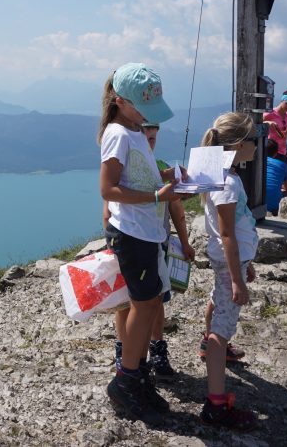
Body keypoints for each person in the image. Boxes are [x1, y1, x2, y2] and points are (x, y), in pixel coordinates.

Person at [99, 63, 191, 424]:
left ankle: (135, 374)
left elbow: (139, 175)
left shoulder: (135, 131)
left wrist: (168, 176)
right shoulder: (119, 134)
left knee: (151, 301)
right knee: (142, 304)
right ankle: (126, 380)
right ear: (121, 102)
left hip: (147, 233)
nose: (147, 117)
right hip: (133, 234)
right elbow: (109, 189)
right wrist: (157, 194)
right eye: (143, 108)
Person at [106, 122, 195, 379]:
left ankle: (155, 350)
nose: (149, 143)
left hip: (159, 243)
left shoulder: (160, 168)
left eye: (153, 139)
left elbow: (177, 211)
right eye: (145, 138)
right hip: (132, 243)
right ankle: (127, 354)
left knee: (156, 301)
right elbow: (108, 209)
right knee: (128, 303)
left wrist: (186, 243)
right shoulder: (124, 170)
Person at [197, 112, 259, 430]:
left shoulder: (216, 172)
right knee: (223, 329)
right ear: (237, 144)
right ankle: (216, 405)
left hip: (229, 263)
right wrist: (237, 279)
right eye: (252, 139)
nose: (256, 144)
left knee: (216, 302)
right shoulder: (229, 183)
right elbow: (227, 235)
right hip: (227, 264)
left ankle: (207, 346)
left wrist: (243, 265)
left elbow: (234, 231)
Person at [263, 90, 287, 161]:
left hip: (283, 152)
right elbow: (256, 123)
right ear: (282, 100)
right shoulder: (270, 113)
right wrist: (268, 122)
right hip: (270, 151)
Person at [264, 138, 287, 216]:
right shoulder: (282, 164)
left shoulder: (256, 162)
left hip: (254, 202)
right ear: (276, 153)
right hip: (274, 206)